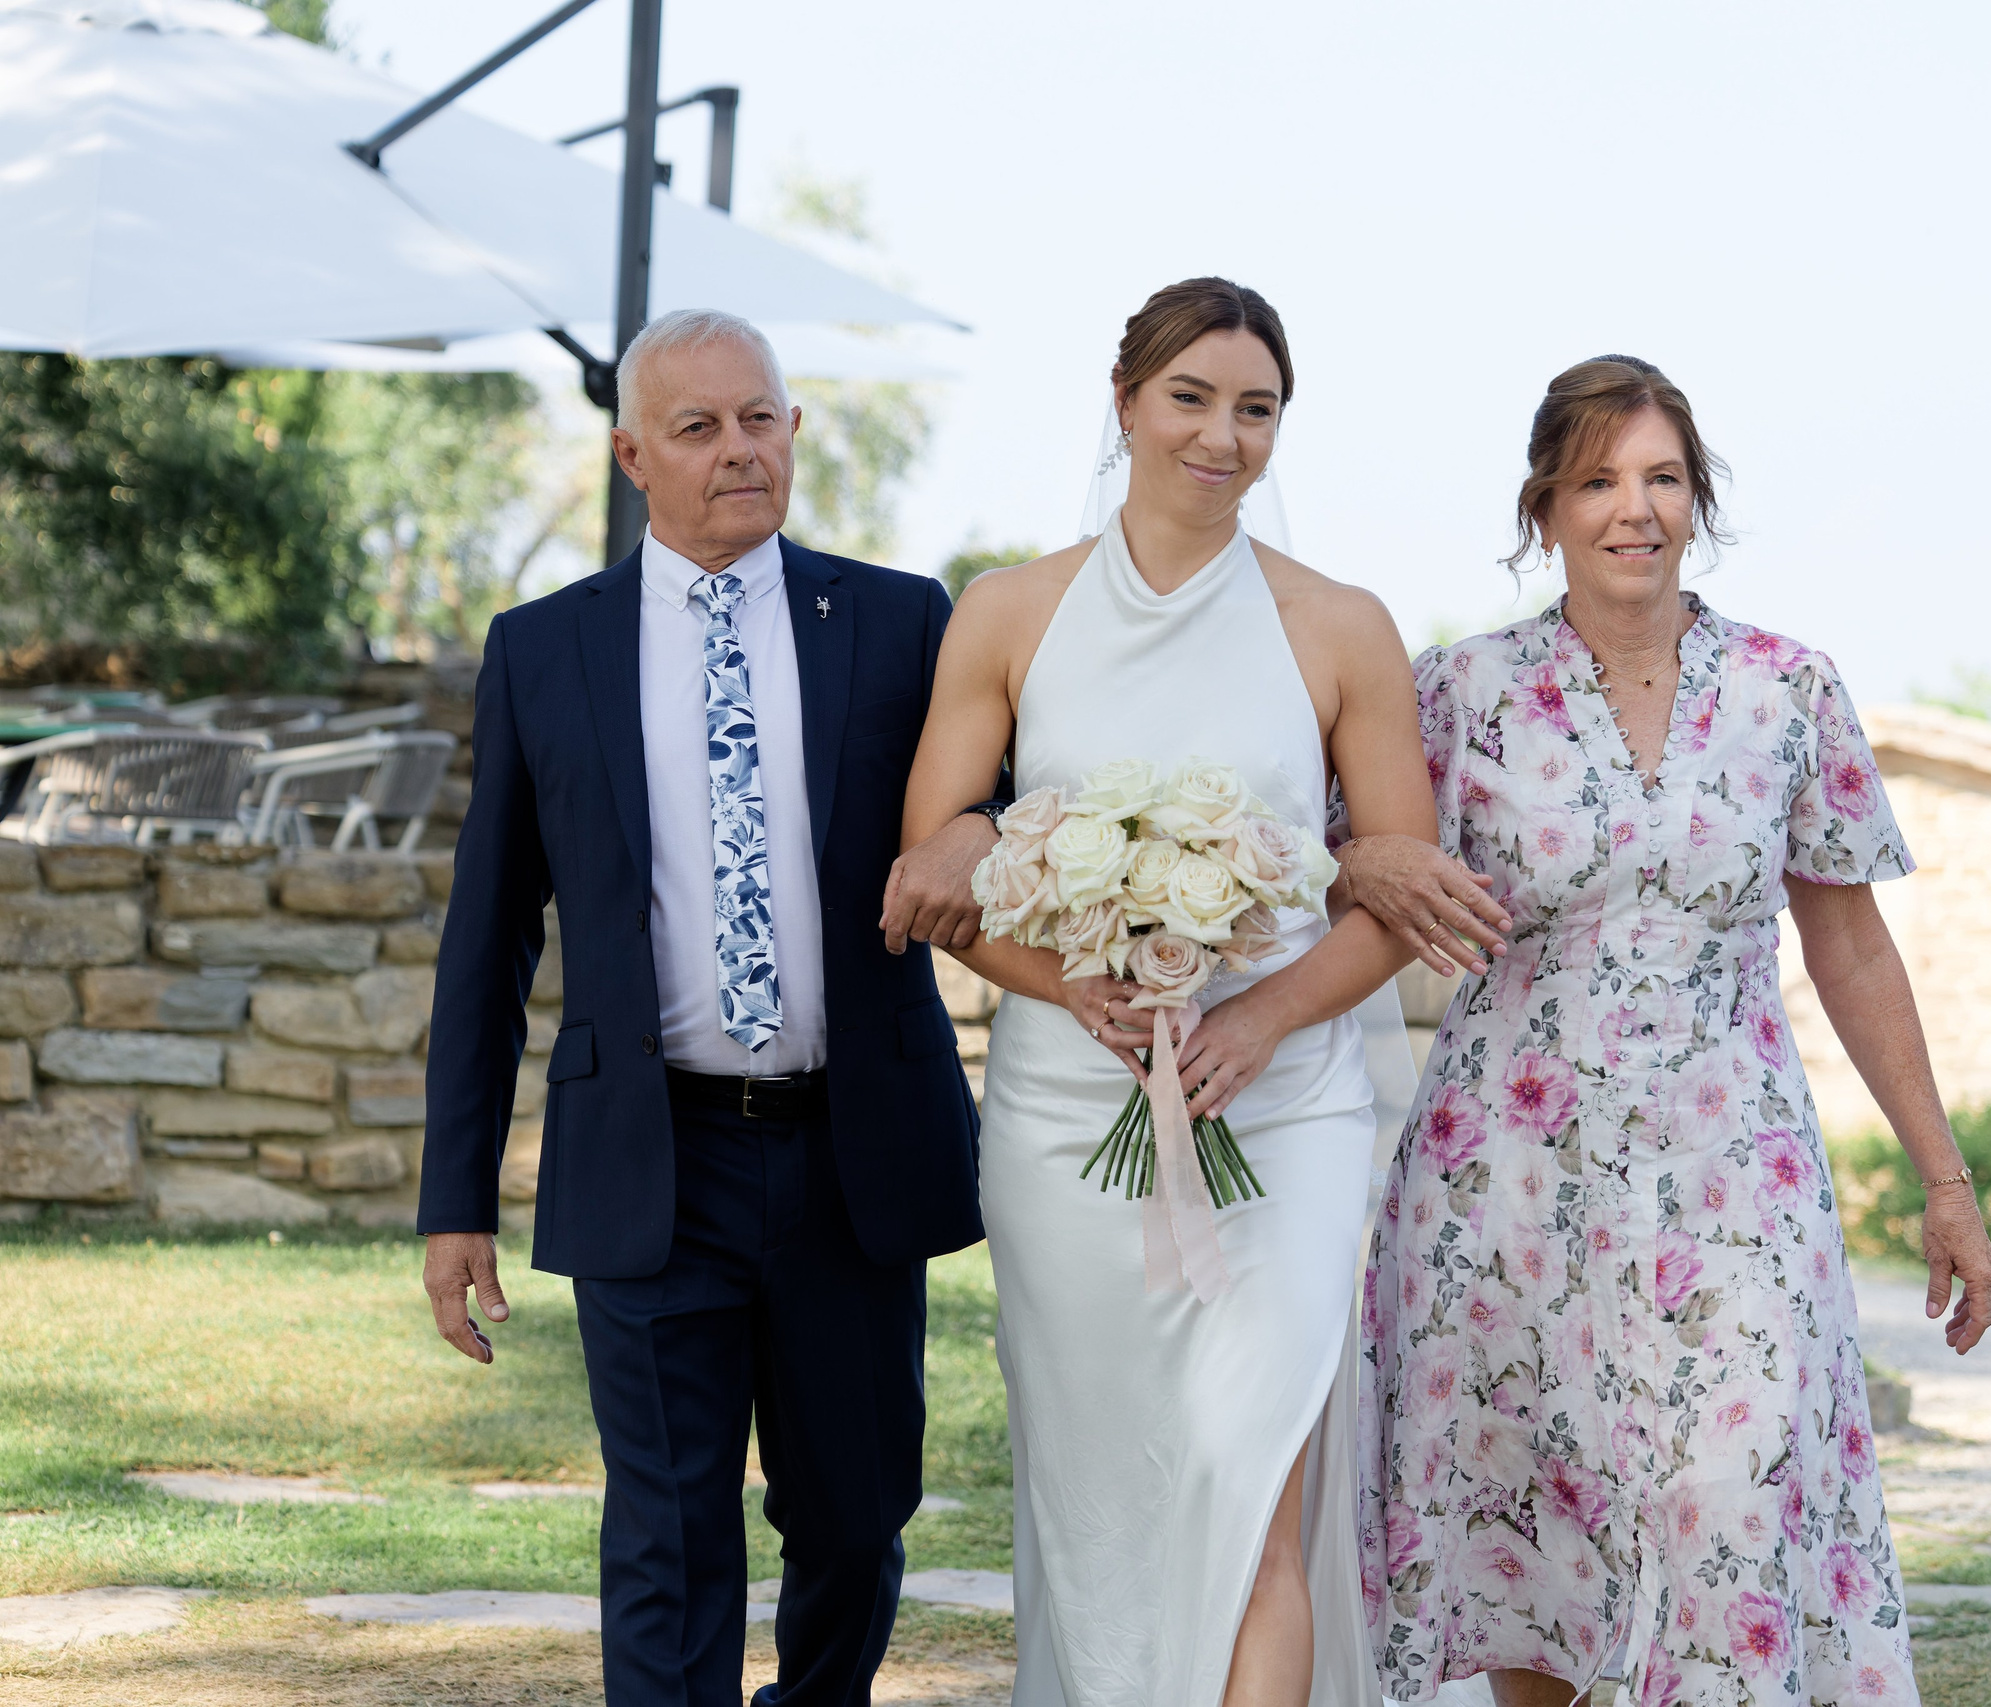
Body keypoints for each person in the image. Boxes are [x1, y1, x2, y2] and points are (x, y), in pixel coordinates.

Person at [1337, 357, 1991, 1707]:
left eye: (1661, 478)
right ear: (1546, 508)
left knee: (1730, 1511)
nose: (1632, 510)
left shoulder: (1788, 690)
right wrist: (1357, 869)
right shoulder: (1458, 694)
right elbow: (1354, 875)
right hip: (1508, 1189)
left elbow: (1853, 944)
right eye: (1597, 480)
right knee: (1538, 1553)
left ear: (1699, 500)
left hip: (1731, 1178)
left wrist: (1946, 1182)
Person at [417, 308, 997, 1707]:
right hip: (650, 1160)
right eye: (699, 428)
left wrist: (982, 827)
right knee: (670, 1540)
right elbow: (487, 935)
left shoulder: (904, 620)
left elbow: (994, 807)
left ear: (794, 428)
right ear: (632, 455)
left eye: (761, 417)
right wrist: (455, 1199)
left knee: (855, 1526)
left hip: (851, 1154)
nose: (740, 449)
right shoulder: (543, 651)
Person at [895, 277, 1433, 1707]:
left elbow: (1396, 895)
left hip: (1288, 1114)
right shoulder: (1010, 613)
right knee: (1108, 1500)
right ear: (1126, 400)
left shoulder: (1341, 628)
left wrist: (1260, 1016)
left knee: (1256, 1482)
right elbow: (937, 873)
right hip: (1070, 1120)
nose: (1222, 434)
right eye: (1192, 397)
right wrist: (1075, 988)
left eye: (1255, 409)